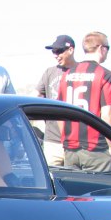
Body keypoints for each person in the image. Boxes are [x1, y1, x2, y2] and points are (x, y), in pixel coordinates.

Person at [58, 31, 111, 170]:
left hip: (70, 148)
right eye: (108, 48)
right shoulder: (104, 74)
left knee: (73, 190)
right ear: (101, 48)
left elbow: (60, 114)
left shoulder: (67, 74)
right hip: (96, 148)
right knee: (99, 190)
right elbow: (106, 113)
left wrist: (65, 140)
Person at [34, 34, 78, 165]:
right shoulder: (50, 72)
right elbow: (36, 96)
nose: (56, 55)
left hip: (76, 141)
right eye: (54, 51)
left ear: (71, 50)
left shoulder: (82, 72)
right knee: (52, 179)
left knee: (74, 179)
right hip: (52, 140)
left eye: (59, 51)